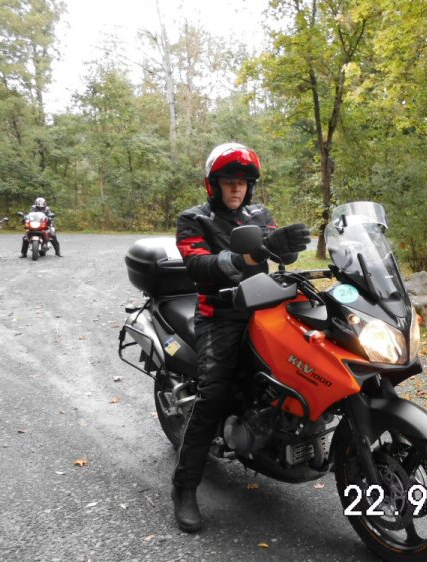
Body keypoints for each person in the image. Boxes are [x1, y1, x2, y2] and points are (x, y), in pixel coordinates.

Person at [171, 142, 310, 532]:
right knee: (214, 393)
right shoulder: (194, 219)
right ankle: (184, 486)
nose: (236, 188)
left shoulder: (258, 214)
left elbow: (276, 250)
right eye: (229, 181)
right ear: (213, 184)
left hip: (264, 307)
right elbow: (199, 265)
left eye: (243, 182)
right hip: (220, 314)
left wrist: (286, 248)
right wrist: (251, 255)